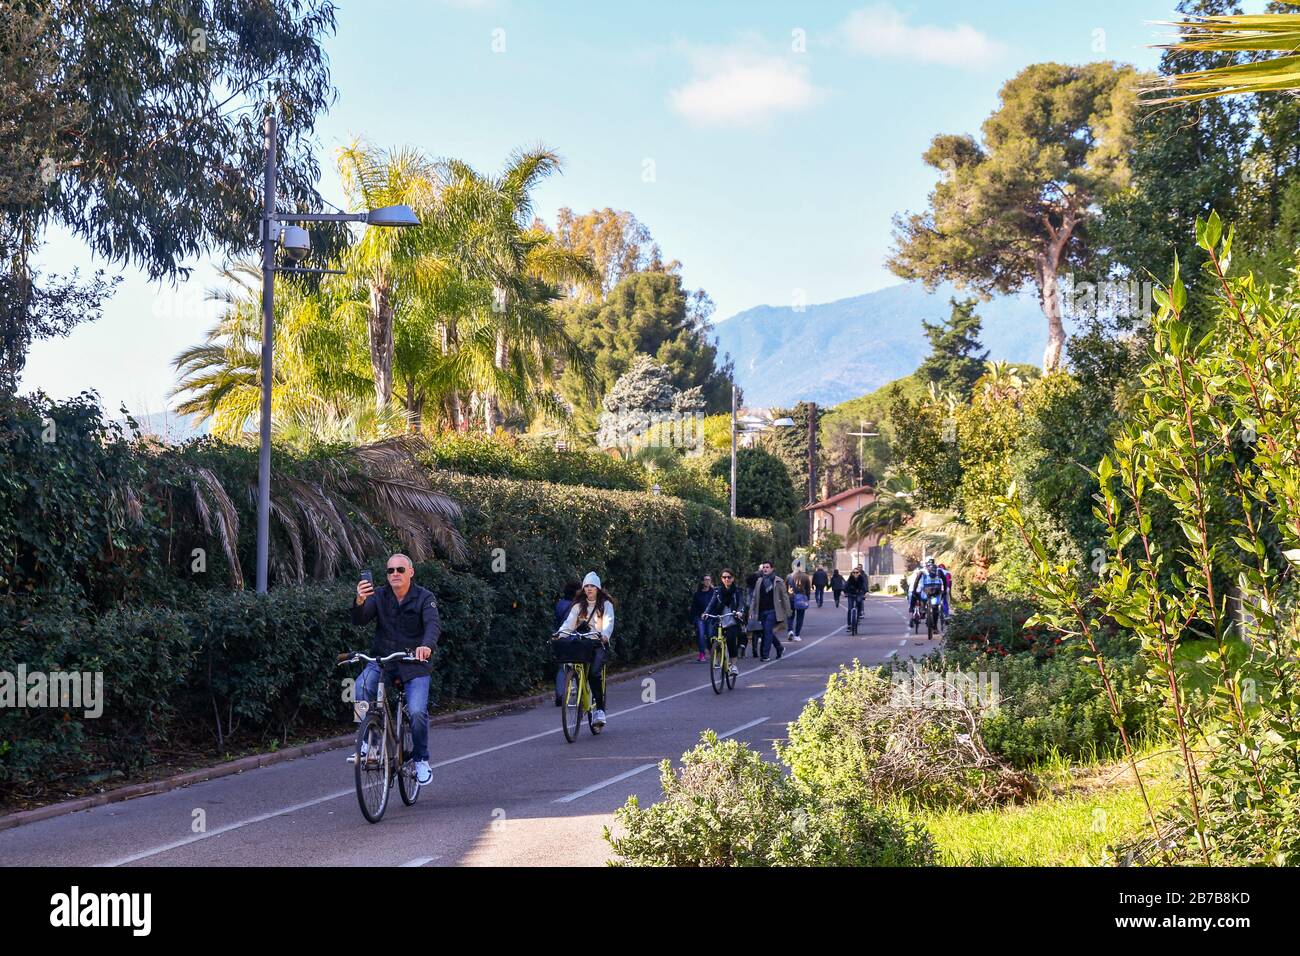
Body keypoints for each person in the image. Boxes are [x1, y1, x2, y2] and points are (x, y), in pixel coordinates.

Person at [351, 554, 440, 785]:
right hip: (384, 661)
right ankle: (370, 744)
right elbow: (360, 619)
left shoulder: (424, 597)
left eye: (400, 569)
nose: (395, 574)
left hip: (414, 665)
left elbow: (433, 625)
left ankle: (421, 759)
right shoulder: (379, 595)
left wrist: (426, 646)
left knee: (418, 711)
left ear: (411, 572)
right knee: (360, 687)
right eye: (390, 571)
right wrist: (360, 600)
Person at [557, 572, 615, 729]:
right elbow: (569, 624)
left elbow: (609, 623)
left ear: (598, 588)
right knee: (569, 657)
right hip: (583, 643)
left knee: (594, 674)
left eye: (592, 586)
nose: (589, 589)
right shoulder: (578, 605)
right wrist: (559, 634)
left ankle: (600, 711)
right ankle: (574, 684)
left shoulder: (605, 605)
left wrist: (605, 635)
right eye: (586, 586)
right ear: (583, 589)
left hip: (598, 644)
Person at [702, 568, 746, 677]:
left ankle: (733, 665)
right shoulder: (717, 591)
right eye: (724, 577)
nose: (727, 579)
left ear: (733, 578)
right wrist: (706, 613)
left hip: (732, 620)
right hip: (720, 619)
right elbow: (711, 604)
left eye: (729, 577)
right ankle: (717, 656)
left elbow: (741, 603)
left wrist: (740, 612)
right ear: (721, 579)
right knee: (710, 637)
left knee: (731, 640)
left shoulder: (737, 591)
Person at [748, 560, 791, 661]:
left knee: (767, 631)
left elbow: (784, 597)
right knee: (766, 632)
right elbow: (754, 597)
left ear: (772, 569)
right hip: (762, 611)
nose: (765, 569)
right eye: (764, 567)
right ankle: (779, 648)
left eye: (767, 567)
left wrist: (788, 611)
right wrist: (751, 611)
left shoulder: (778, 581)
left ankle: (765, 655)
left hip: (773, 611)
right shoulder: (759, 581)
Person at [553, 581, 581, 706]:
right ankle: (580, 692)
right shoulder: (577, 607)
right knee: (581, 666)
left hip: (561, 640)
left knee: (561, 668)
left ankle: (560, 695)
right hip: (574, 640)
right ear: (575, 592)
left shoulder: (560, 604)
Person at [909, 558, 949, 625]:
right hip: (937, 590)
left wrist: (914, 590)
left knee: (922, 598)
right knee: (935, 608)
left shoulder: (922, 570)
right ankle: (935, 628)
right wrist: (944, 590)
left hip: (926, 591)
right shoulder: (939, 570)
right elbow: (944, 580)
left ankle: (923, 610)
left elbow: (916, 581)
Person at [690, 574, 715, 663]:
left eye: (709, 580)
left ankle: (712, 650)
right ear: (702, 582)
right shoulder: (698, 594)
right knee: (700, 634)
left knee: (709, 635)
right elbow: (694, 607)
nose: (707, 581)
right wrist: (695, 617)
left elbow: (716, 605)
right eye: (705, 580)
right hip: (699, 617)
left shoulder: (713, 593)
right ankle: (702, 653)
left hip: (710, 617)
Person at [786, 562, 812, 642]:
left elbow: (786, 587)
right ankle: (797, 635)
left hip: (791, 597)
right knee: (800, 617)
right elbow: (808, 589)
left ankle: (790, 630)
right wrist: (807, 598)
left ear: (794, 567)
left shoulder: (789, 576)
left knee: (790, 615)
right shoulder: (805, 576)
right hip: (801, 598)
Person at [843, 565, 868, 634]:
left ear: (859, 573)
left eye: (857, 572)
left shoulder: (861, 579)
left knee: (859, 603)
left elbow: (864, 586)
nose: (855, 574)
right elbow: (845, 586)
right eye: (854, 572)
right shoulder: (850, 579)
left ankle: (859, 615)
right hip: (851, 595)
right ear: (852, 573)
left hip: (859, 594)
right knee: (850, 609)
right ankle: (849, 625)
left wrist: (865, 593)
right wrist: (845, 592)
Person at [742, 572, 761, 658]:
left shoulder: (747, 589)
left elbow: (746, 602)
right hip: (756, 611)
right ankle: (755, 650)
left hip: (748, 612)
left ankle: (742, 648)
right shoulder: (758, 589)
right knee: (757, 631)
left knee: (746, 631)